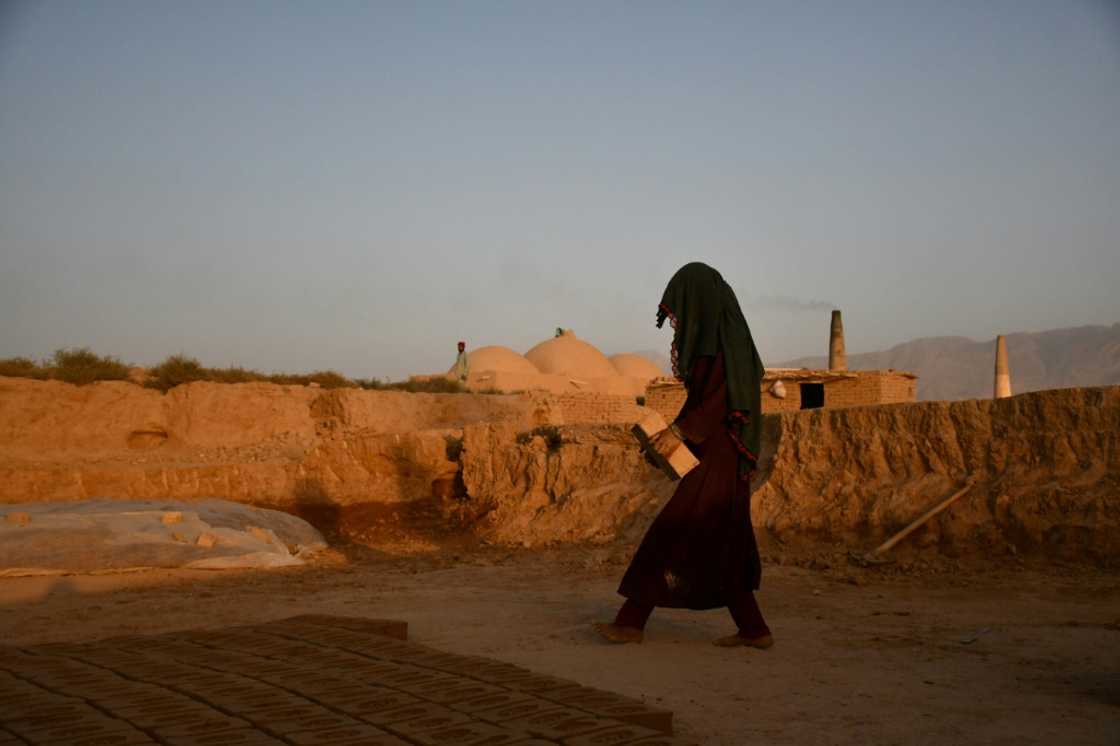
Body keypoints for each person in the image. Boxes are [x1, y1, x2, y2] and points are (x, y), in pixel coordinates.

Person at [594, 262, 772, 649]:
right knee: (728, 541)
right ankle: (754, 629)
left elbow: (717, 403)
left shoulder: (728, 343)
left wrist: (680, 434)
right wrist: (668, 442)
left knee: (672, 529)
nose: (677, 324)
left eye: (680, 313)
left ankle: (631, 621)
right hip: (718, 452)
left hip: (722, 454)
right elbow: (700, 404)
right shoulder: (720, 339)